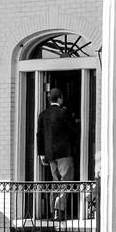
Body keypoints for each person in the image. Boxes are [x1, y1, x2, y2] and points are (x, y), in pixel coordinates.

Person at [36, 87, 77, 219]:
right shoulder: (64, 113)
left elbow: (39, 135)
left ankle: (53, 210)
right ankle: (59, 210)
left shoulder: (43, 115)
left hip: (50, 154)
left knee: (56, 181)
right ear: (60, 98)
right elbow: (74, 131)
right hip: (64, 152)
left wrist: (41, 153)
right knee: (66, 181)